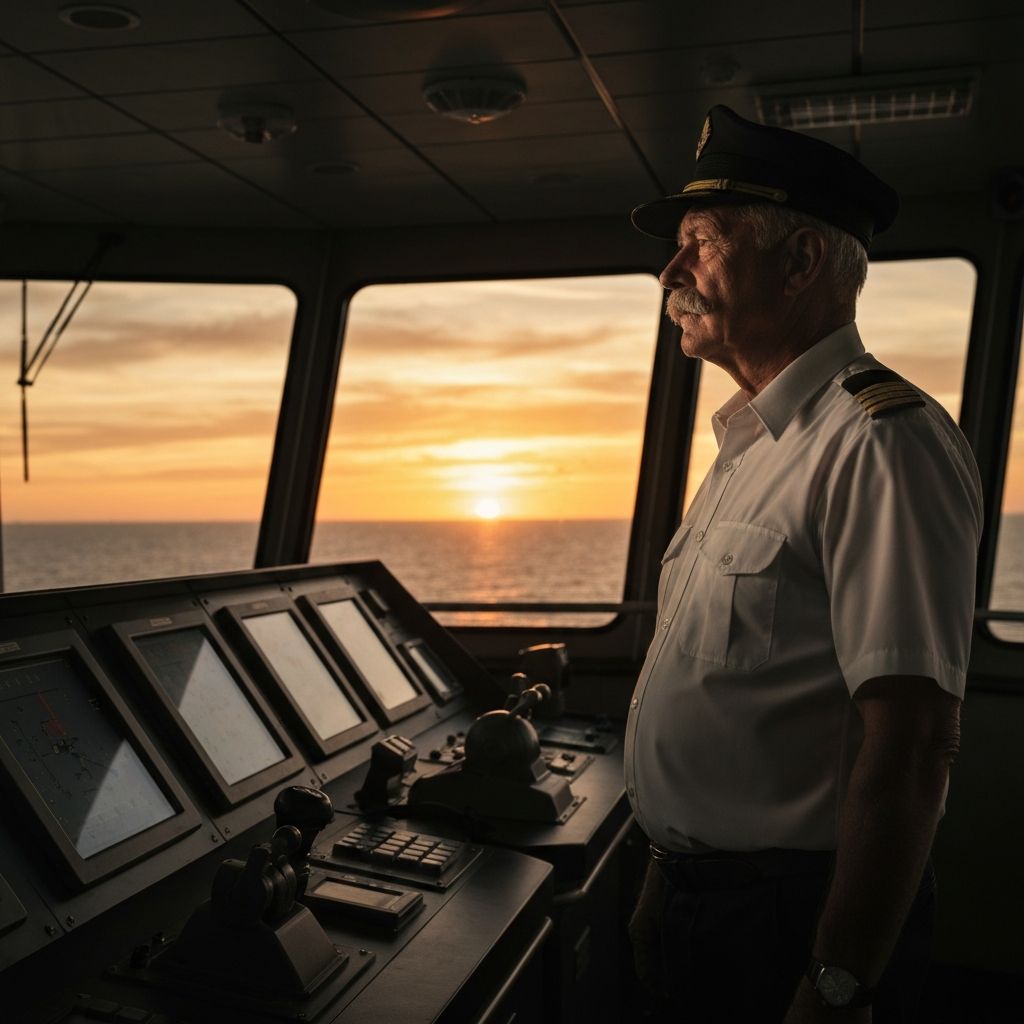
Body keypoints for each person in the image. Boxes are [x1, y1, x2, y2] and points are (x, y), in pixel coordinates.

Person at [624, 105, 982, 1023]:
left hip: (789, 920)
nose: (671, 272)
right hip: (698, 903)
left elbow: (909, 745)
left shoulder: (880, 442)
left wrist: (838, 978)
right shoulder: (754, 442)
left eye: (701, 241)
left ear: (802, 262)